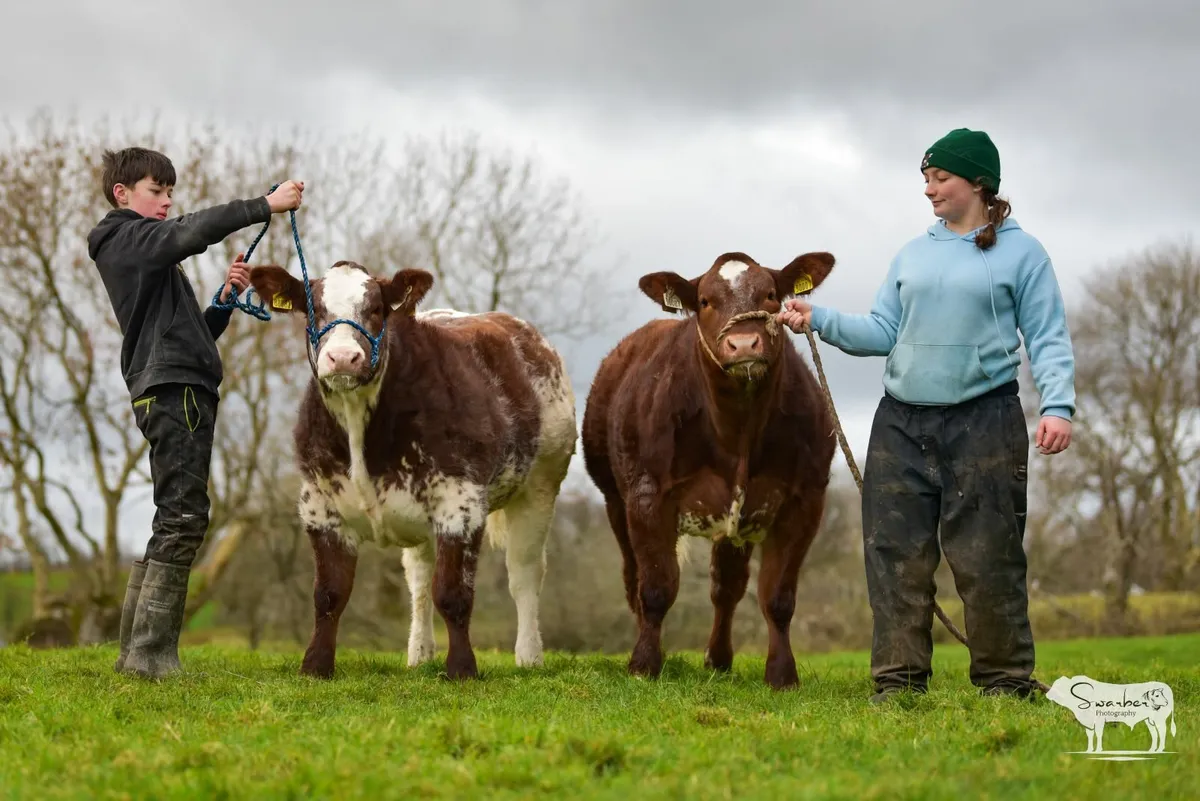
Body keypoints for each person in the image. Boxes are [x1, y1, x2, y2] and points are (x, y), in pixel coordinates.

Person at [777, 128, 1075, 702]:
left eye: (940, 179)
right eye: (926, 180)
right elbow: (884, 331)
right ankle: (899, 683)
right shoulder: (913, 254)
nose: (930, 190)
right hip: (901, 422)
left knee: (988, 555)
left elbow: (1048, 337)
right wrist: (819, 319)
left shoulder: (1024, 253)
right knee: (894, 556)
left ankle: (1006, 682)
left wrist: (1057, 406)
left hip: (984, 420)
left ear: (978, 182)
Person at [87, 146, 304, 678]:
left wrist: (224, 301)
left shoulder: (148, 262)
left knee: (174, 517)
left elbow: (193, 337)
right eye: (155, 192)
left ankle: (136, 656)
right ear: (123, 194)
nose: (166, 202)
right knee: (183, 518)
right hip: (174, 391)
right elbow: (190, 232)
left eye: (169, 194)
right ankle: (150, 659)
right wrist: (264, 205)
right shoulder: (124, 239)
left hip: (178, 383)